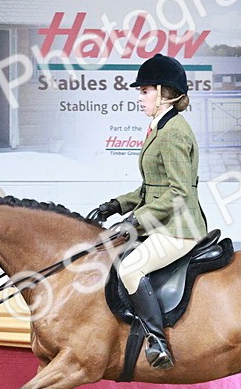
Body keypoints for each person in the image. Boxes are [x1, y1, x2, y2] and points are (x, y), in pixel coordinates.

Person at [87, 53, 208, 370]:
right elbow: (151, 188)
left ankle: (158, 342)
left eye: (145, 91)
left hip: (178, 227)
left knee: (130, 269)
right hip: (161, 223)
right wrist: (115, 205)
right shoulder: (160, 128)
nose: (139, 97)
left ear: (165, 93)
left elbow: (179, 192)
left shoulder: (174, 132)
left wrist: (136, 221)